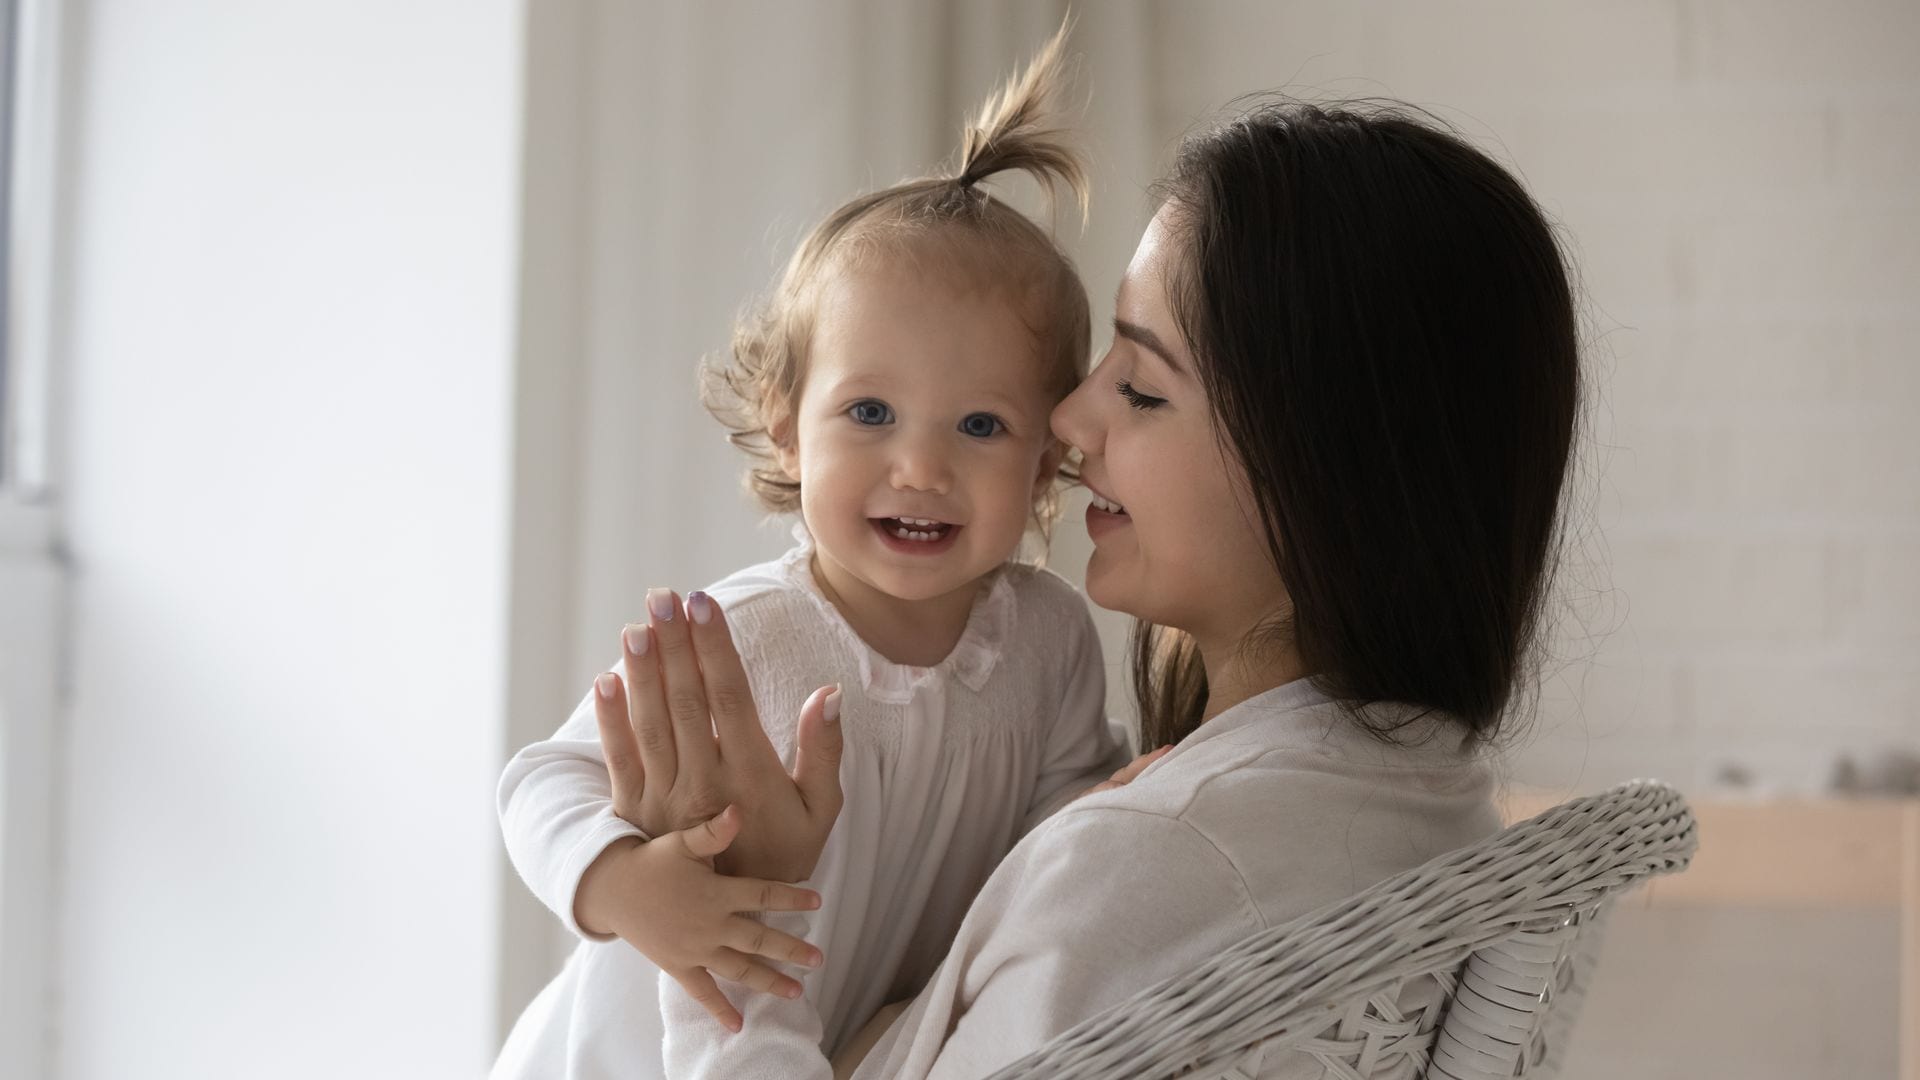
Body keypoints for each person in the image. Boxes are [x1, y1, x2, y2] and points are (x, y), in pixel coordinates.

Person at [610, 94, 1584, 1080]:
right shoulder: (1433, 803)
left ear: (1324, 469)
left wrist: (743, 928)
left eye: (1143, 386)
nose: (1066, 418)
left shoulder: (1157, 862)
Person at [491, 29, 1148, 1080]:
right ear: (787, 427)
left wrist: (1126, 801)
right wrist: (625, 886)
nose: (921, 467)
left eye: (980, 426)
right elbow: (540, 781)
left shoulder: (1048, 636)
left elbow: (1058, 827)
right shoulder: (742, 638)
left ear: (1043, 464)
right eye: (872, 412)